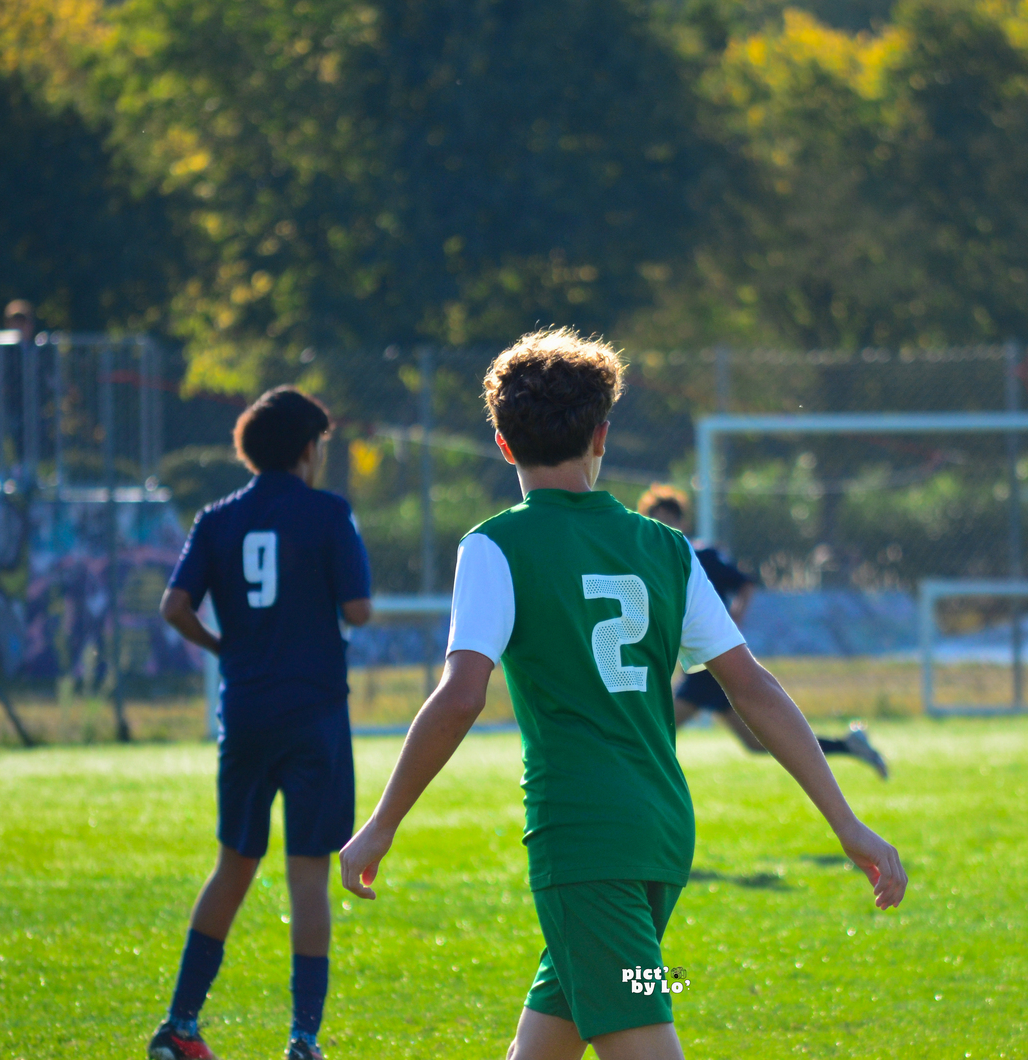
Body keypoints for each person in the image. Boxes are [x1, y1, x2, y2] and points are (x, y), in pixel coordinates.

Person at [338, 328, 906, 1060]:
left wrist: (381, 823)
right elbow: (753, 688)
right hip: (662, 827)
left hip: (583, 835)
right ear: (601, 435)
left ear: (503, 446)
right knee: (552, 1037)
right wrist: (845, 822)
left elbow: (459, 698)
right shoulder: (666, 548)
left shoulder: (495, 545)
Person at [150, 387, 372, 1060]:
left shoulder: (217, 518)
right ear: (307, 449)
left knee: (233, 866)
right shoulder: (329, 512)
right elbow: (358, 610)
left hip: (246, 711)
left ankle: (180, 1025)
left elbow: (174, 606)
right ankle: (303, 1038)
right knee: (307, 875)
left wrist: (225, 646)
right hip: (314, 714)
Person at [636, 485, 889, 780]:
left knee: (654, 732)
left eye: (670, 519)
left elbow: (745, 583)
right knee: (756, 743)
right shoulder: (652, 559)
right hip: (698, 662)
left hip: (709, 661)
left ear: (683, 522)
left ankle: (636, 787)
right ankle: (848, 745)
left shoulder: (698, 554)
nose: (664, 525)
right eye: (657, 519)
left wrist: (734, 618)